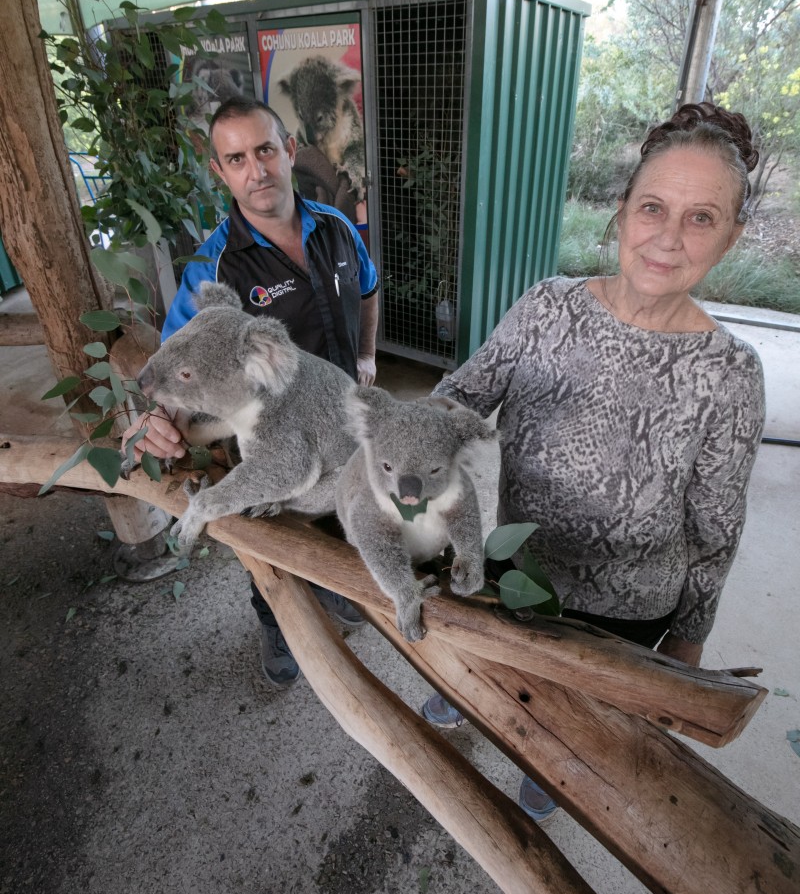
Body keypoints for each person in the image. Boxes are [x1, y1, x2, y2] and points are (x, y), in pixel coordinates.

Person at [421, 102, 766, 824]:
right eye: (652, 208)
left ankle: (550, 768)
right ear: (620, 213)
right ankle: (470, 692)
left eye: (701, 218)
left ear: (731, 237)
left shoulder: (731, 373)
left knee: (573, 729)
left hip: (630, 614)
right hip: (520, 569)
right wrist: (407, 449)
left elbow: (714, 527)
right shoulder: (548, 307)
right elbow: (464, 394)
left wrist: (689, 641)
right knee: (495, 666)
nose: (668, 238)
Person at [123, 97, 380, 687]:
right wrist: (154, 418)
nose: (256, 170)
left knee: (343, 511)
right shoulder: (213, 268)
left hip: (341, 414)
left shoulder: (338, 230)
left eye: (265, 150)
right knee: (267, 534)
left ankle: (337, 590)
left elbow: (367, 290)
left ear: (289, 150)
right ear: (220, 171)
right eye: (236, 158)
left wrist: (366, 354)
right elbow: (176, 363)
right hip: (266, 434)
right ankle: (275, 623)